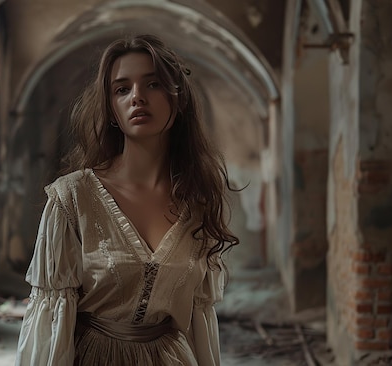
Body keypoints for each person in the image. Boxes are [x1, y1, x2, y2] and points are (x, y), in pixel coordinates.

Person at [15, 34, 238, 366]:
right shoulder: (72, 198)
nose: (137, 97)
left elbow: (200, 321)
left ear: (177, 100)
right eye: (122, 89)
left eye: (153, 85)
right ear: (111, 109)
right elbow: (50, 321)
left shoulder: (198, 202)